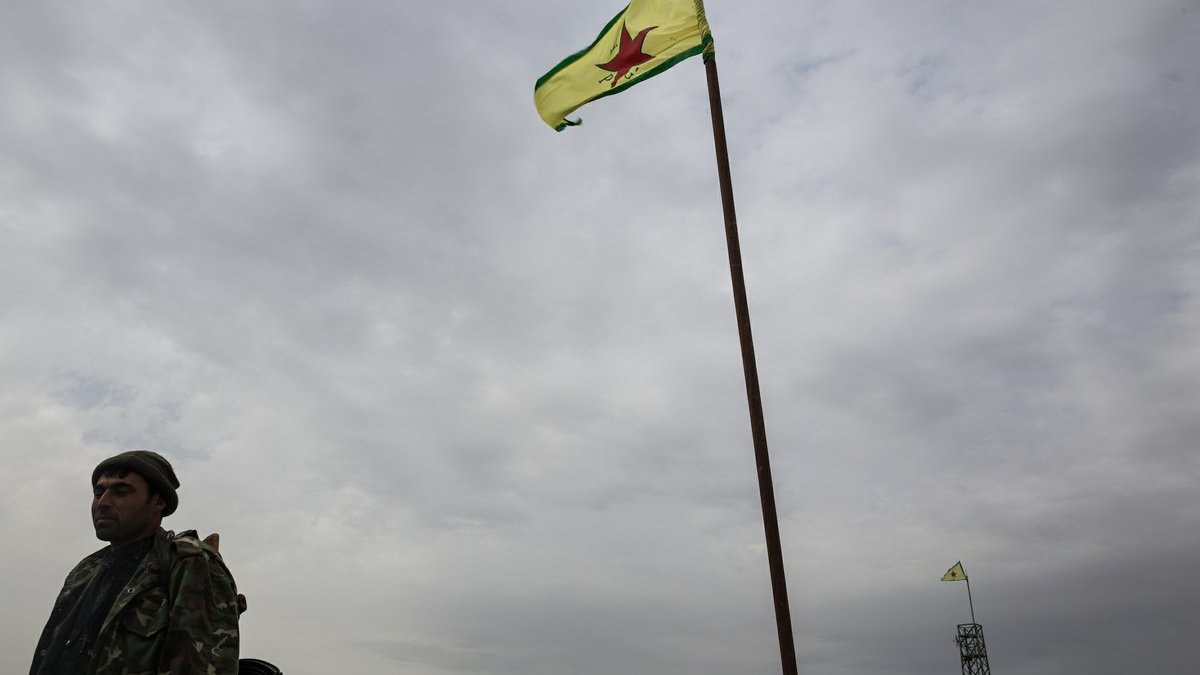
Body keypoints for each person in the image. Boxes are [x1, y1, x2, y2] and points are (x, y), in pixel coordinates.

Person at [30, 450, 241, 675]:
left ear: (158, 502)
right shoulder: (84, 572)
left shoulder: (189, 562)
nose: (103, 503)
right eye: (98, 492)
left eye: (121, 492)